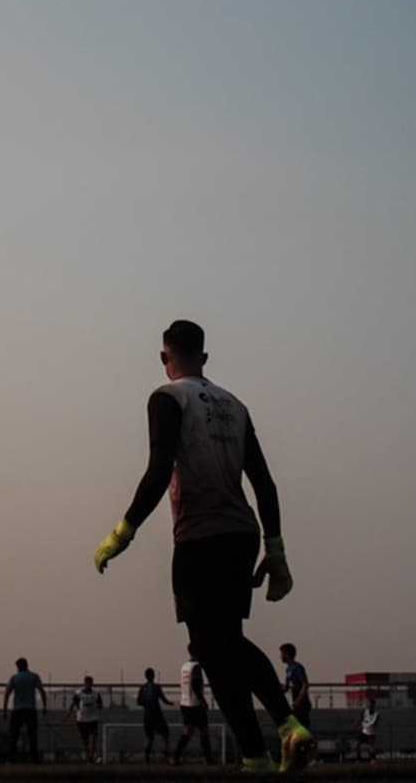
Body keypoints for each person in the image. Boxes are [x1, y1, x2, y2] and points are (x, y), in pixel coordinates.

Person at [93, 319, 315, 774]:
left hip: (200, 533)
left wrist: (122, 532)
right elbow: (265, 484)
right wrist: (275, 550)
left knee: (213, 645)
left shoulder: (167, 397)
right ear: (205, 357)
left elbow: (158, 471)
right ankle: (270, 742)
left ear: (163, 356)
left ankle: (274, 737)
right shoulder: (235, 404)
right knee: (222, 643)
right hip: (241, 533)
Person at [173, 653, 215, 765]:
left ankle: (176, 757)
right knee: (203, 731)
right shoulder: (196, 667)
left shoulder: (185, 666)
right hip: (195, 704)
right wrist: (203, 701)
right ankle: (208, 759)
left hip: (185, 702)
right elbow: (196, 685)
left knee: (188, 731)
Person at [2, 657, 47, 763]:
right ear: (27, 665)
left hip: (17, 710)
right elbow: (42, 691)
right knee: (32, 735)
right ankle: (34, 759)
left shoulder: (14, 678)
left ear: (17, 667)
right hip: (30, 709)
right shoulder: (34, 677)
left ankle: (11, 759)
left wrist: (4, 710)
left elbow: (7, 694)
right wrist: (44, 706)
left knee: (14, 735)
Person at [137, 667, 173, 763]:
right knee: (166, 735)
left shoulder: (142, 688)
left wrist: (146, 703)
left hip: (147, 716)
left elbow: (138, 702)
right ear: (153, 676)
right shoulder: (156, 687)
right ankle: (165, 755)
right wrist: (170, 703)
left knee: (150, 738)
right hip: (157, 715)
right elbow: (163, 699)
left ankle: (146, 757)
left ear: (146, 676)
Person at [71, 675, 105, 763]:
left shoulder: (96, 694)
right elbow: (74, 703)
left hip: (93, 718)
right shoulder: (79, 693)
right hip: (81, 719)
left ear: (92, 683)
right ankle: (89, 756)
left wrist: (96, 706)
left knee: (92, 737)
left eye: (90, 683)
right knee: (85, 739)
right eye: (87, 682)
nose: (89, 684)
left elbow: (101, 705)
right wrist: (71, 712)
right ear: (84, 683)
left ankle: (91, 755)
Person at [280, 643, 313, 728]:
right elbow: (286, 687)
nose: (280, 656)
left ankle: (307, 741)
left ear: (286, 654)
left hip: (302, 700)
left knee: (303, 725)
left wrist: (299, 700)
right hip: (295, 697)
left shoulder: (297, 667)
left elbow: (305, 684)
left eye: (282, 653)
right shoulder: (288, 669)